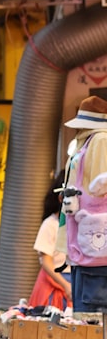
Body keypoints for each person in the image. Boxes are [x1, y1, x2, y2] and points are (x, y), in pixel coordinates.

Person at [62, 95, 107, 313]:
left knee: (93, 324)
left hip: (95, 252)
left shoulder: (100, 140)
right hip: (86, 249)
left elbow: (100, 186)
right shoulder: (90, 140)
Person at [30, 171, 71, 309]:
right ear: (61, 198)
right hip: (55, 282)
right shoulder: (50, 224)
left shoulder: (82, 224)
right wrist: (66, 285)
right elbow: (46, 261)